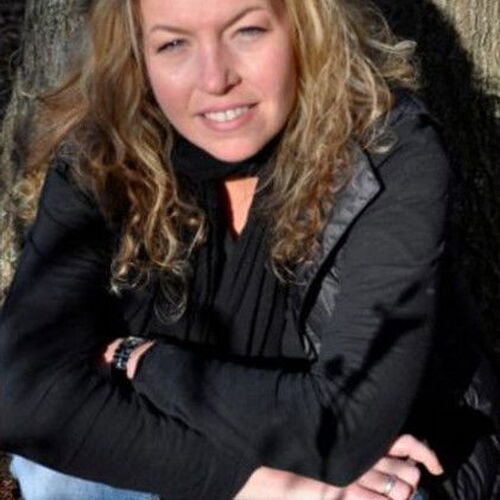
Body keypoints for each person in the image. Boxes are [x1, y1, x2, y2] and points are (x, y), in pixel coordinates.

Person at [0, 0, 498, 499]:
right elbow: (19, 394)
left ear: (305, 27)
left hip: (380, 470)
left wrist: (144, 362)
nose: (215, 79)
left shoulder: (386, 148)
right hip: (243, 470)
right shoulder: (105, 155)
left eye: (248, 31)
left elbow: (345, 427)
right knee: (60, 473)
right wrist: (258, 484)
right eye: (173, 43)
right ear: (136, 54)